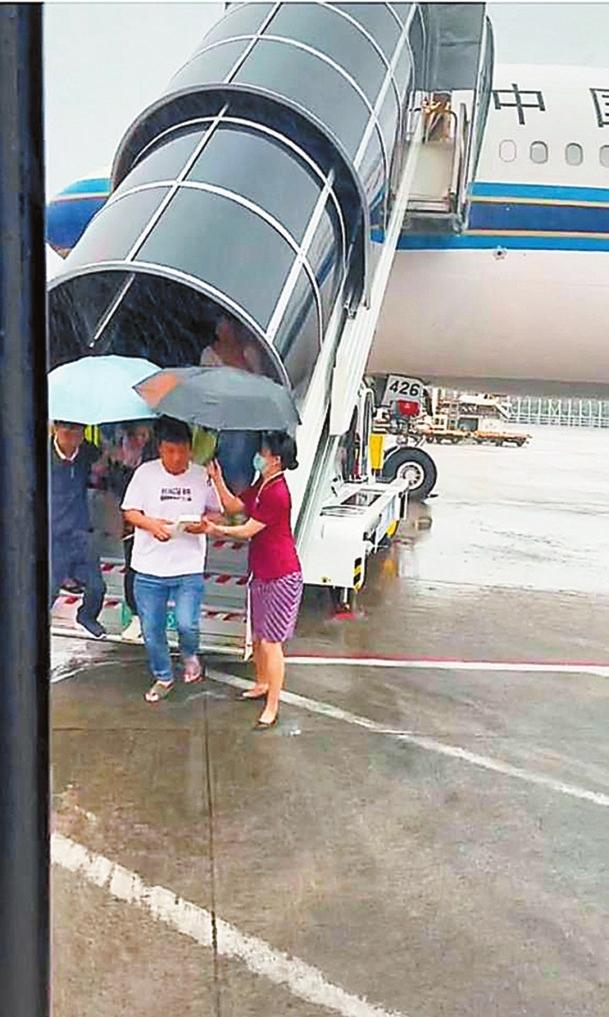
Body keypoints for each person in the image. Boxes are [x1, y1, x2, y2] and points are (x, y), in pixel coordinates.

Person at [203, 432, 303, 730]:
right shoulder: (263, 485)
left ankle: (272, 705)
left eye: (263, 451)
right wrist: (216, 478)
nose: (257, 455)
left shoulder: (278, 493)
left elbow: (247, 530)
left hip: (281, 574)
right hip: (261, 571)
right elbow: (235, 507)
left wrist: (215, 530)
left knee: (272, 643)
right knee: (259, 636)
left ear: (276, 459)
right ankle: (261, 683)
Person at [121, 416, 221, 703]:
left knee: (187, 623)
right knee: (152, 630)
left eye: (181, 451)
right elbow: (130, 511)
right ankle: (163, 676)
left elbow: (216, 512)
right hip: (149, 567)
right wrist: (153, 525)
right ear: (160, 449)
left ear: (190, 449)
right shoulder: (145, 474)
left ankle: (190, 653)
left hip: (188, 566)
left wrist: (204, 524)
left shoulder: (201, 475)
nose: (176, 458)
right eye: (169, 451)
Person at [50, 421, 107, 638]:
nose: (73, 439)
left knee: (96, 587)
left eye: (78, 433)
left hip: (80, 530)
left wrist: (107, 462)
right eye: (67, 432)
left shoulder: (87, 452)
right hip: (52, 532)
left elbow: (103, 469)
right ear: (56, 429)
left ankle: (87, 617)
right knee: (49, 587)